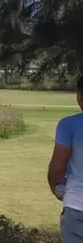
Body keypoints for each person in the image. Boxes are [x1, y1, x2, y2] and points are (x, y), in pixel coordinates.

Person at [48, 75, 83, 240]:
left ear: (80, 96)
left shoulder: (69, 125)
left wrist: (54, 186)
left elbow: (57, 168)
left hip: (78, 204)